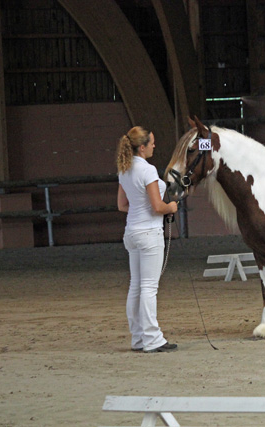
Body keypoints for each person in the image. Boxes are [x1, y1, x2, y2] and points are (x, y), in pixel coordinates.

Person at [116, 126, 178, 353]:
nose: (154, 146)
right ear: (142, 147)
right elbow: (157, 206)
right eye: (151, 143)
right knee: (149, 287)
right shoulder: (148, 170)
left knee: (136, 287)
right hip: (149, 233)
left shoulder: (124, 169)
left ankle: (139, 338)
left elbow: (122, 205)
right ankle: (152, 338)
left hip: (131, 231)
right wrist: (171, 206)